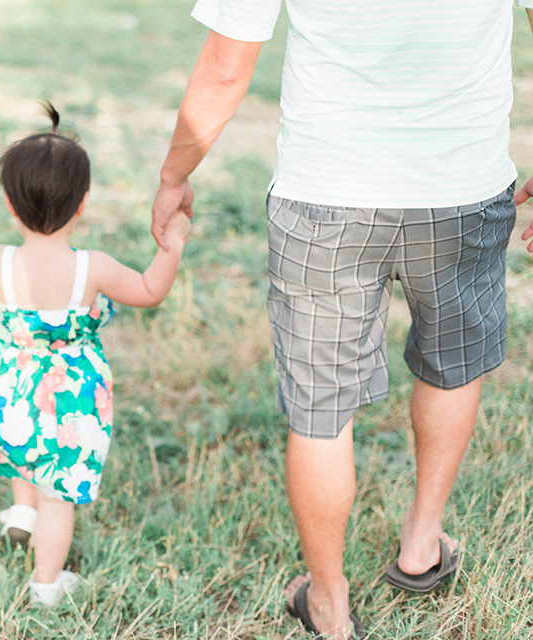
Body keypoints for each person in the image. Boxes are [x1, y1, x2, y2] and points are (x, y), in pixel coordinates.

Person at [151, 2, 533, 638]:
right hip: (462, 187)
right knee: (454, 362)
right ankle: (422, 542)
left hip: (325, 197)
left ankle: (328, 602)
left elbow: (224, 67)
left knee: (321, 409)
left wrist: (174, 174)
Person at [0, 103, 191, 606]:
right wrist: (172, 245)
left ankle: (20, 515)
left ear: (9, 204)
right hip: (70, 403)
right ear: (83, 204)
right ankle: (46, 584)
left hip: (7, 393)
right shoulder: (93, 268)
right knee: (59, 496)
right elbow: (149, 290)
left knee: (23, 454)